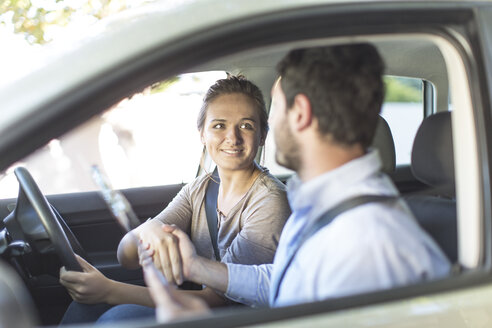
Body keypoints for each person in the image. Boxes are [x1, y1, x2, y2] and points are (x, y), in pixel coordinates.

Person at [141, 43, 452, 320]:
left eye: (276, 109)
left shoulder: (366, 244)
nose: (270, 124)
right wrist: (197, 267)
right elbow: (283, 282)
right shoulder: (328, 206)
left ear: (300, 113)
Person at [58, 75, 291, 324]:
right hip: (200, 307)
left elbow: (219, 301)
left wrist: (110, 290)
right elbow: (126, 257)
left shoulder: (269, 203)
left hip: (238, 318)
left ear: (263, 135)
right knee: (83, 308)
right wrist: (147, 230)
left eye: (246, 125)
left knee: (119, 316)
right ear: (202, 134)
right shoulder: (200, 189)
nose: (232, 138)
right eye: (219, 125)